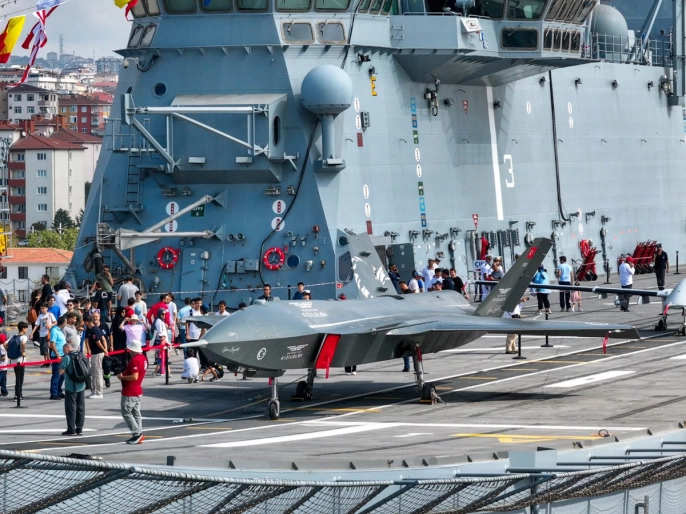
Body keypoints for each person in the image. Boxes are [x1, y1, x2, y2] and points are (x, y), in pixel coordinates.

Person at [117, 339, 147, 445]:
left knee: (126, 412)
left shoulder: (135, 360)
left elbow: (134, 376)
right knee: (136, 413)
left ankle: (136, 433)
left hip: (131, 390)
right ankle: (138, 433)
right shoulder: (143, 358)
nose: (129, 351)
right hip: (137, 390)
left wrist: (122, 377)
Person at [59, 343, 86, 436]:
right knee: (80, 407)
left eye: (64, 351)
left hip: (71, 386)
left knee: (71, 408)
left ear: (66, 349)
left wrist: (62, 364)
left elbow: (61, 372)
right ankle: (79, 428)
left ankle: (71, 429)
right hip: (81, 385)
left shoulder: (67, 357)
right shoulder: (81, 355)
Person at [84, 314, 108, 399]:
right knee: (94, 373)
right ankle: (94, 391)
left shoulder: (94, 330)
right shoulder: (96, 328)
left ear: (87, 322)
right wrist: (105, 349)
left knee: (97, 373)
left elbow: (98, 342)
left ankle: (98, 392)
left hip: (97, 353)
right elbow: (103, 339)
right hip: (95, 353)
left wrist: (104, 349)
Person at [49, 316, 67, 400]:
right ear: (63, 323)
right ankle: (54, 393)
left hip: (63, 355)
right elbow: (52, 344)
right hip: (57, 356)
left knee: (62, 375)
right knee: (56, 375)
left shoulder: (60, 330)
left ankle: (59, 391)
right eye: (65, 322)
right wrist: (57, 355)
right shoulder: (54, 331)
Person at [31, 303, 55, 367]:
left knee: (45, 347)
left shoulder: (50, 314)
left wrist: (50, 325)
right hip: (41, 333)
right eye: (41, 308)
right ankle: (46, 361)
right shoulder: (40, 316)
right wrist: (32, 333)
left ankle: (49, 361)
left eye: (43, 308)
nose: (42, 310)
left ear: (47, 308)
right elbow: (36, 325)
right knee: (42, 348)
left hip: (47, 333)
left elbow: (55, 322)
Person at [8, 322, 27, 401]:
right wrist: (23, 351)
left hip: (13, 360)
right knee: (20, 378)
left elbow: (5, 344)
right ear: (23, 328)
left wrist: (8, 351)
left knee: (17, 377)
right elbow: (23, 343)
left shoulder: (13, 336)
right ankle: (18, 395)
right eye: (26, 328)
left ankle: (19, 394)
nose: (26, 330)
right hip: (20, 360)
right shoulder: (23, 337)